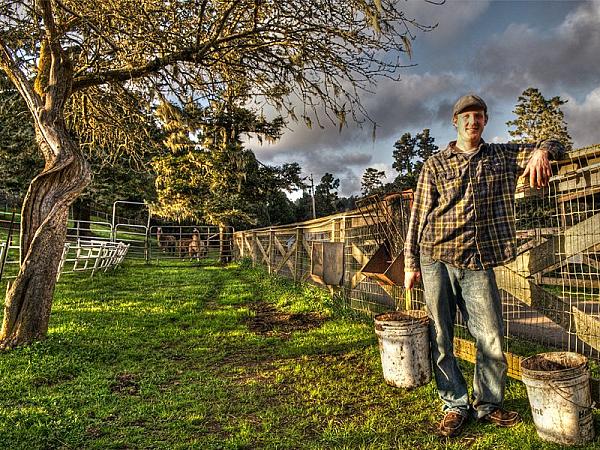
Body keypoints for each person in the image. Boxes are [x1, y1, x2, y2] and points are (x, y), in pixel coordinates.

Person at [403, 94, 565, 437]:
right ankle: (454, 403)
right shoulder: (435, 164)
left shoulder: (501, 156)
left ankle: (487, 403)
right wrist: (410, 262)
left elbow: (554, 141)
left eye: (478, 115)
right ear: (456, 122)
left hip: (478, 260)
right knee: (442, 333)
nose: (472, 121)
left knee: (490, 335)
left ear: (485, 121)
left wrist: (541, 152)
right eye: (466, 116)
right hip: (437, 258)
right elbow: (418, 216)